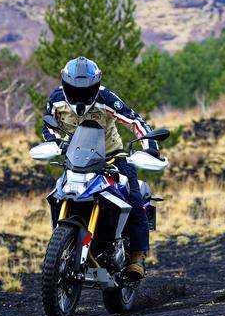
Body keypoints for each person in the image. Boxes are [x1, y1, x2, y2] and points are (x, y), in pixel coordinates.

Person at [43, 56, 161, 279]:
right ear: (65, 83)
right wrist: (55, 142)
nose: (80, 94)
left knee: (134, 198)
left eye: (86, 90)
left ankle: (137, 257)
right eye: (74, 89)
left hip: (111, 156)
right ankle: (63, 244)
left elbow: (135, 121)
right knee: (58, 194)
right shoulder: (56, 99)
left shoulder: (107, 98)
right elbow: (48, 125)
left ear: (96, 84)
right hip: (77, 158)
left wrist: (150, 147)